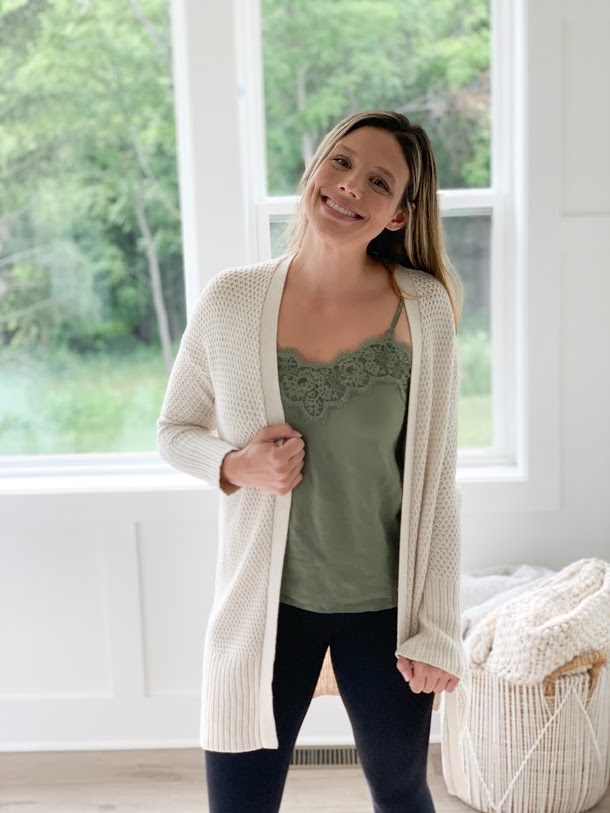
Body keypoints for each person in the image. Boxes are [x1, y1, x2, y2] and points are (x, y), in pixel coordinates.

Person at [157, 110, 470, 813]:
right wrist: (237, 465)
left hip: (386, 614)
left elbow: (439, 487)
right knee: (239, 803)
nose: (351, 186)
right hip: (264, 611)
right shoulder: (231, 300)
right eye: (341, 161)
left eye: (379, 181)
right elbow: (174, 429)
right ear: (314, 167)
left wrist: (438, 628)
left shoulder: (423, 311)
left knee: (400, 789)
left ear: (398, 214)